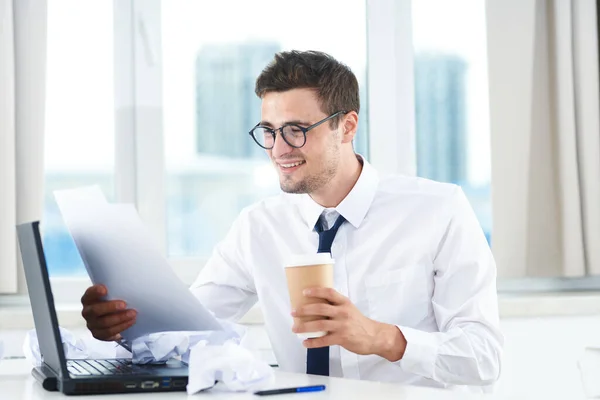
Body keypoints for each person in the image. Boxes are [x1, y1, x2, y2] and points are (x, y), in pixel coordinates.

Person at [80, 50, 503, 391]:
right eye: (270, 130)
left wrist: (381, 337)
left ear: (346, 126)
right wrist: (124, 326)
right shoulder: (258, 227)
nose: (279, 149)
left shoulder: (437, 209)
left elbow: (483, 357)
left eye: (297, 129)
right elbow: (188, 328)